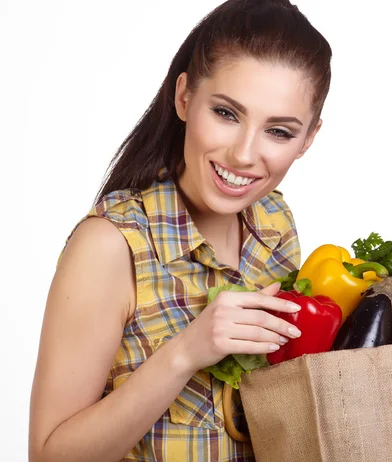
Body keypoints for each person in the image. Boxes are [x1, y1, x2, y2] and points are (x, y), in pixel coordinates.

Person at [28, 0, 332, 460]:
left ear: (308, 138)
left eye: (279, 132)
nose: (244, 155)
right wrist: (186, 352)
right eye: (227, 113)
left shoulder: (274, 221)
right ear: (185, 97)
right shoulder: (111, 246)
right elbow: (50, 456)